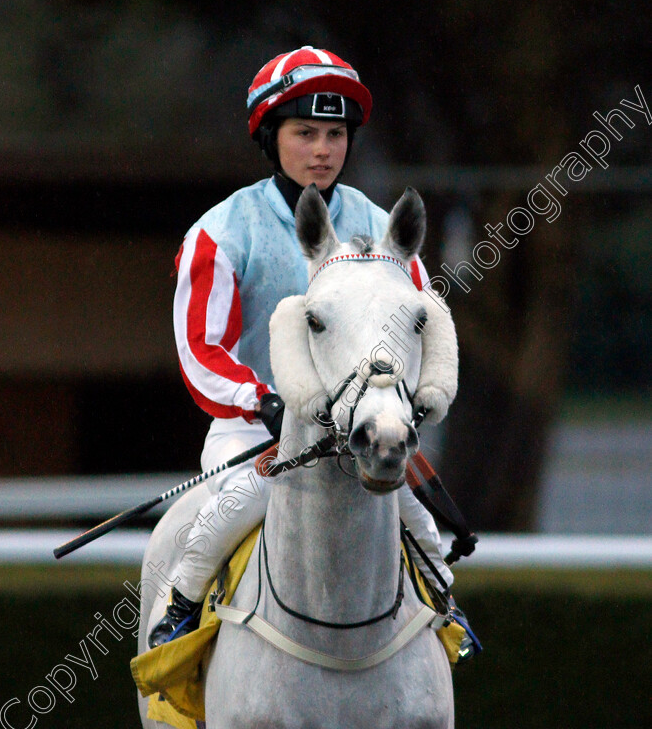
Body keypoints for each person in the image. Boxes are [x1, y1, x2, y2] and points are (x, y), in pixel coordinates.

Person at [149, 46, 475, 659]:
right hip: (256, 430)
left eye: (335, 134)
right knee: (244, 499)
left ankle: (445, 615)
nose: (323, 150)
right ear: (271, 138)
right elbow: (201, 349)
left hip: (364, 426)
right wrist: (263, 400)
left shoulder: (383, 229)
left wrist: (412, 399)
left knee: (423, 525)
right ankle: (179, 611)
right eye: (305, 133)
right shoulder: (220, 232)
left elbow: (425, 322)